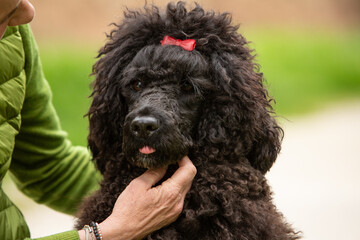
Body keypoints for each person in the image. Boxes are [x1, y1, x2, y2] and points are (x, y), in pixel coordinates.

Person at [0, 0, 197, 240]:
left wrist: (178, 191)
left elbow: (48, 167)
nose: (28, 12)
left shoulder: (12, 32)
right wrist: (107, 233)